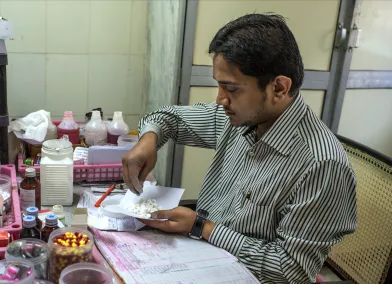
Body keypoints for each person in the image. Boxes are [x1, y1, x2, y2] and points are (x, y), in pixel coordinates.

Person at [122, 13, 357, 283]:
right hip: (202, 257)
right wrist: (148, 141)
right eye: (219, 86)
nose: (220, 100)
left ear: (279, 87)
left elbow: (291, 270)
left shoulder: (321, 165)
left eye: (231, 88)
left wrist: (202, 228)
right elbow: (167, 118)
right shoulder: (238, 118)